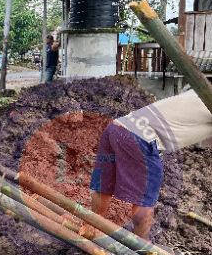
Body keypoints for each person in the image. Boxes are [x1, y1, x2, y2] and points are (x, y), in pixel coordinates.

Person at [85, 89, 212, 239]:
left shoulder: (200, 92)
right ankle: (142, 248)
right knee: (144, 199)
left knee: (104, 185)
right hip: (142, 139)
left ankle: (92, 228)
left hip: (116, 128)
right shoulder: (207, 97)